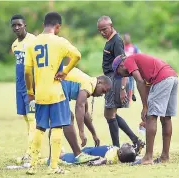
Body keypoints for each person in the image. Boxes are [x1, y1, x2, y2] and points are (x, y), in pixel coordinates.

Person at [24, 12, 81, 174]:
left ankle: (33, 166)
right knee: (57, 128)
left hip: (40, 94)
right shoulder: (60, 41)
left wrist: (30, 92)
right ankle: (53, 166)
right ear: (57, 27)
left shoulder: (32, 43)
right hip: (56, 93)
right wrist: (65, 71)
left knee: (40, 128)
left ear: (43, 24)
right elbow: (77, 55)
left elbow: (27, 72)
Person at [112, 53, 178, 165]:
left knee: (152, 117)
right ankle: (165, 156)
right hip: (172, 77)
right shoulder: (139, 64)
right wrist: (146, 112)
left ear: (121, 65)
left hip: (162, 78)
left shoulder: (128, 60)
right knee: (166, 118)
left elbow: (140, 82)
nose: (125, 76)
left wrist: (145, 107)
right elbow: (146, 85)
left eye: (119, 73)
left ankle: (148, 158)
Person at [97, 16, 145, 153]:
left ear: (111, 26)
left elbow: (124, 64)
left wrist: (123, 88)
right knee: (110, 114)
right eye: (100, 30)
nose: (102, 32)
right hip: (111, 79)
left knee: (110, 114)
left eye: (104, 29)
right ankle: (135, 140)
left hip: (116, 80)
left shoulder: (116, 41)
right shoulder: (110, 40)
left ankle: (116, 148)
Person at [58, 67, 113, 163]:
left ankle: (54, 154)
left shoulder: (87, 84)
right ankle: (78, 155)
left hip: (57, 86)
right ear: (99, 82)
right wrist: (81, 132)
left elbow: (85, 113)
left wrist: (94, 134)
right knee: (67, 117)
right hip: (56, 85)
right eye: (103, 91)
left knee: (59, 121)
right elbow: (79, 106)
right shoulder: (90, 83)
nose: (102, 95)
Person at [11, 14, 36, 163]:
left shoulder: (33, 41)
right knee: (27, 119)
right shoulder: (14, 45)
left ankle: (31, 152)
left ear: (24, 25)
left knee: (33, 119)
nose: (16, 27)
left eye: (19, 25)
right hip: (19, 87)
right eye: (14, 25)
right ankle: (30, 150)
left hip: (30, 88)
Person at [60, 143, 136, 165]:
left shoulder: (113, 157)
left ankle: (58, 156)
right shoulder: (117, 151)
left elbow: (104, 160)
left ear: (120, 152)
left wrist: (95, 163)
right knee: (75, 153)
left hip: (88, 155)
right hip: (91, 149)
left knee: (73, 157)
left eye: (128, 146)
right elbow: (132, 156)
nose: (129, 145)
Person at [123, 33, 141, 102]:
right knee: (125, 82)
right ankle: (127, 95)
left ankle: (131, 95)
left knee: (131, 81)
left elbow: (139, 55)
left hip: (132, 67)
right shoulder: (122, 47)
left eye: (128, 38)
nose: (127, 39)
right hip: (124, 68)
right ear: (124, 39)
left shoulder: (134, 47)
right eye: (126, 38)